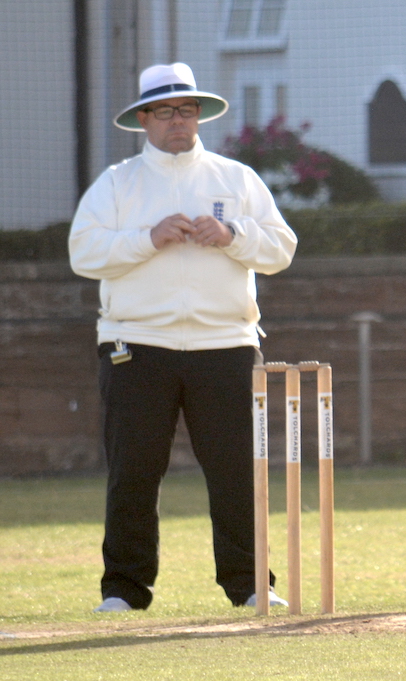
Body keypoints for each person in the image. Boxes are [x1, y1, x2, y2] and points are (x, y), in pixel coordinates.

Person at [69, 62, 298, 612]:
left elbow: (281, 248)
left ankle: (250, 586)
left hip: (225, 343)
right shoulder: (118, 182)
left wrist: (232, 234)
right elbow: (83, 253)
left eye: (187, 109)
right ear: (143, 119)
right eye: (165, 111)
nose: (178, 121)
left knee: (237, 470)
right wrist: (146, 238)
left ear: (200, 116)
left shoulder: (235, 179)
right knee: (134, 470)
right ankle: (123, 590)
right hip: (135, 342)